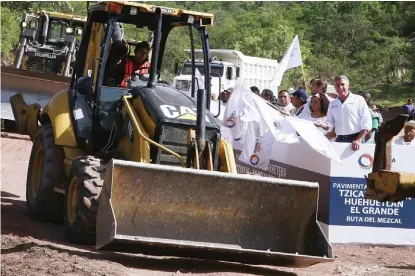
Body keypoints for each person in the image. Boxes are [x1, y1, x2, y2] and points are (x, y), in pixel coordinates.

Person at [322, 75, 372, 150]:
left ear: (348, 86)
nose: (340, 87)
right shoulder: (332, 104)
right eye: (337, 85)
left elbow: (367, 121)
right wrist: (322, 125)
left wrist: (358, 139)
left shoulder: (358, 99)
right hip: (339, 140)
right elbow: (330, 124)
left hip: (356, 140)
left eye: (342, 84)